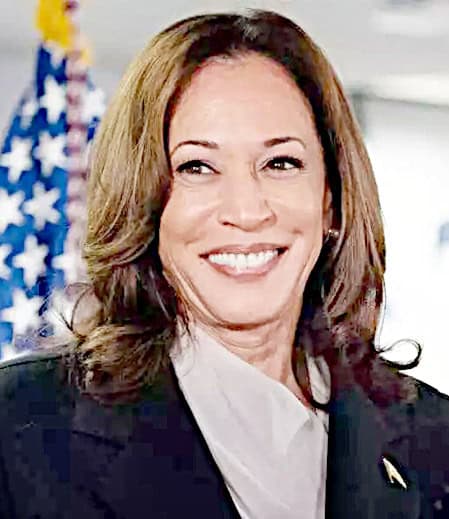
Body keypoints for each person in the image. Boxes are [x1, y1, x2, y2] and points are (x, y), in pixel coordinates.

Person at [0, 9, 448, 519]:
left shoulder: (433, 439)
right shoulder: (20, 429)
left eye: (280, 163)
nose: (246, 210)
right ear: (145, 204)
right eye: (197, 166)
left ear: (331, 200)